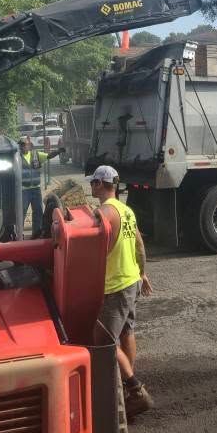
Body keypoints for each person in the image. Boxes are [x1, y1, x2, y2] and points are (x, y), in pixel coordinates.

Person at [89, 165, 155, 418]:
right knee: (127, 331)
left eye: (93, 183)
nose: (91, 187)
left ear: (99, 184)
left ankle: (135, 390)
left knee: (103, 340)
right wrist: (142, 272)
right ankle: (129, 378)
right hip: (131, 281)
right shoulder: (127, 211)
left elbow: (92, 249)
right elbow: (139, 244)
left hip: (115, 286)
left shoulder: (104, 213)